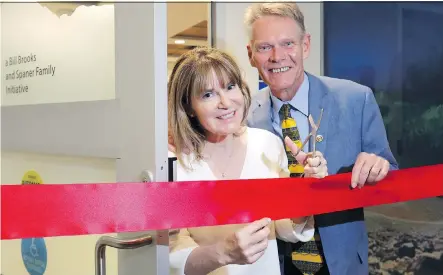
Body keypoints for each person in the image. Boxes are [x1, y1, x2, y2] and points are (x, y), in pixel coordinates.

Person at [243, 2, 399, 275]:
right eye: (265, 47)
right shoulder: (242, 116)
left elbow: (390, 176)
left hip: (342, 265)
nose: (277, 56)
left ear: (305, 46)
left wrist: (378, 166)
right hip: (271, 264)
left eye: (287, 43)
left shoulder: (356, 99)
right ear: (250, 54)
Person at [167, 47, 329, 275]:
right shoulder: (172, 163)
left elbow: (283, 226)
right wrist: (224, 253)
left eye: (230, 87)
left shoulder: (267, 145)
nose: (226, 102)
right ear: (188, 107)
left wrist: (306, 190)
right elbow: (170, 253)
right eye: (208, 94)